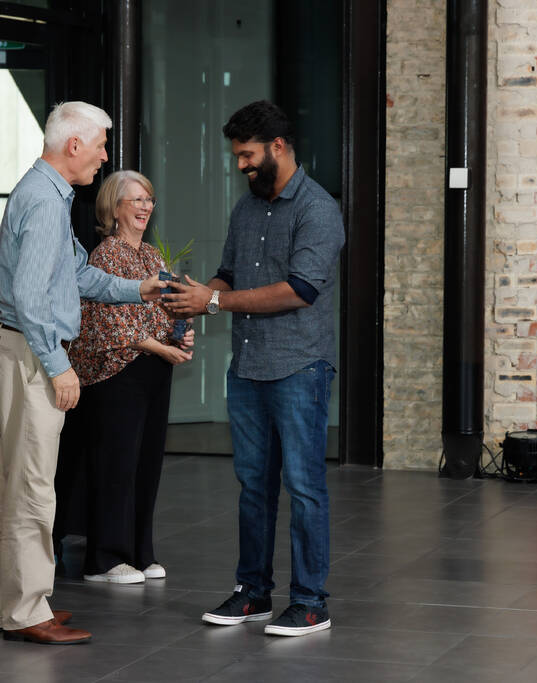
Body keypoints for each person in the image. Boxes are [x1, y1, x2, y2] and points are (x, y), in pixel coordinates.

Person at [0, 102, 165, 645]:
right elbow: (31, 299)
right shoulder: (43, 200)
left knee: (29, 485)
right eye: (102, 145)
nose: (105, 157)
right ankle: (23, 612)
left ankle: (23, 602)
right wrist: (60, 367)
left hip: (25, 349)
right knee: (32, 488)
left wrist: (141, 289)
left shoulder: (53, 196)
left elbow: (80, 275)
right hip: (29, 352)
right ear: (74, 146)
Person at [163, 100, 345, 637]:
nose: (241, 165)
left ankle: (311, 602)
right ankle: (253, 593)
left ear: (278, 147)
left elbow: (301, 290)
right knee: (253, 488)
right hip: (248, 368)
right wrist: (195, 295)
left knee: (305, 487)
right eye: (237, 156)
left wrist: (215, 304)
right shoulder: (246, 209)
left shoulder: (319, 209)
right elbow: (227, 275)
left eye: (247, 155)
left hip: (300, 368)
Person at [60, 170, 194, 585]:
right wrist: (160, 346)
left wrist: (183, 333)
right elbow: (104, 324)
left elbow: (169, 310)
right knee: (116, 467)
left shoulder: (153, 257)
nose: (144, 207)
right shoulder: (104, 255)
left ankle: (140, 552)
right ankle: (104, 560)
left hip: (153, 372)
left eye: (148, 200)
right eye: (135, 200)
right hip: (117, 374)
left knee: (147, 464)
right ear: (113, 208)